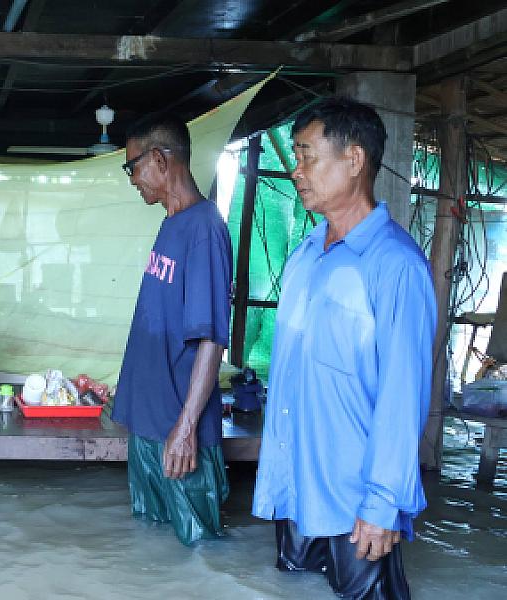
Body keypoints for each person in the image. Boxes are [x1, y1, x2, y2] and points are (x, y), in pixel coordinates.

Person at [252, 98, 435, 600]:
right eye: (296, 156)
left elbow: (403, 396)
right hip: (294, 487)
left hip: (356, 503)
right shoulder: (305, 256)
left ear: (354, 161)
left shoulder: (396, 266)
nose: (296, 171)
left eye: (308, 155)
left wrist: (382, 503)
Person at [110, 115, 233, 546]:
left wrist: (184, 430)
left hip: (179, 439)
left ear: (160, 160)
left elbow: (212, 339)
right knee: (152, 552)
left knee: (199, 553)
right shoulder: (171, 224)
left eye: (132, 166)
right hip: (150, 429)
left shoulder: (204, 229)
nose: (131, 179)